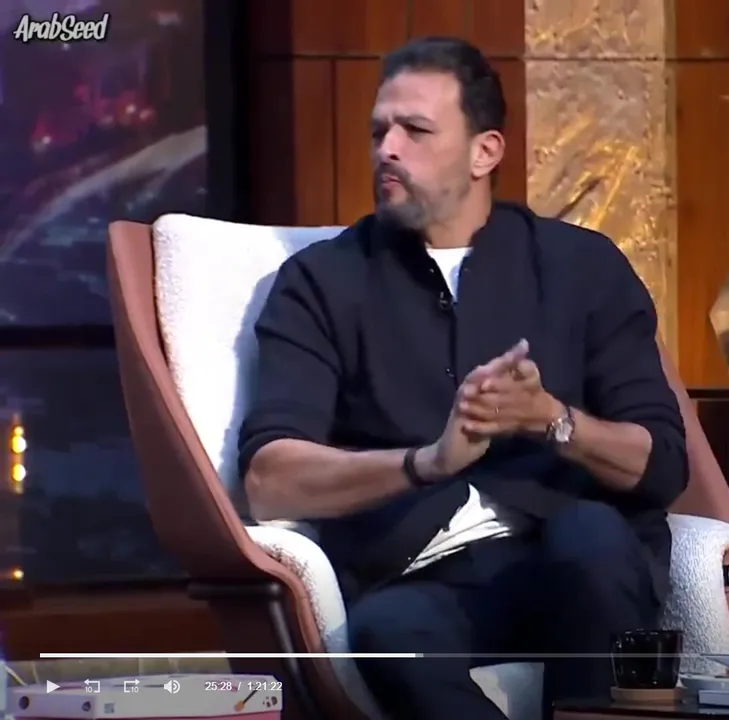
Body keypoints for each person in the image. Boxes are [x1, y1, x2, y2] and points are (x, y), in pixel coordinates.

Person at [236, 36, 689, 720]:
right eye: (379, 132)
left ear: (485, 152)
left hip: (576, 558)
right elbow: (270, 481)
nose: (387, 149)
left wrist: (551, 419)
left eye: (415, 131)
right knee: (390, 635)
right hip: (425, 574)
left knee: (592, 540)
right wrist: (426, 462)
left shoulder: (582, 267)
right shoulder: (322, 282)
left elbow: (663, 464)